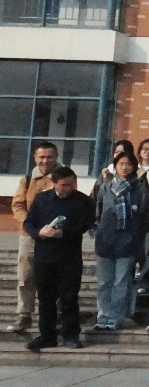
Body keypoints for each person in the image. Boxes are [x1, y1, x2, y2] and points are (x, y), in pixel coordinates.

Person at [22, 166, 93, 352]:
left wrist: (62, 233)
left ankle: (71, 335)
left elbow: (85, 224)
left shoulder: (83, 201)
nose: (69, 188)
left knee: (69, 298)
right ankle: (47, 336)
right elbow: (28, 222)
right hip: (44, 257)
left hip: (69, 257)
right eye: (64, 185)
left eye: (72, 184)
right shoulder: (42, 199)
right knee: (46, 299)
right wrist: (39, 232)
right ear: (54, 184)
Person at [92, 150, 149, 332]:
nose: (125, 167)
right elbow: (97, 213)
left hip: (128, 242)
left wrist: (137, 239)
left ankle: (116, 317)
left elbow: (143, 214)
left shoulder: (139, 188)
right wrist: (97, 232)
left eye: (129, 164)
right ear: (115, 166)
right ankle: (103, 316)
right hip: (105, 242)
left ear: (134, 167)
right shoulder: (105, 187)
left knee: (121, 282)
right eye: (121, 164)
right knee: (104, 282)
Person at [10, 141, 59, 333]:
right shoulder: (27, 179)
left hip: (54, 234)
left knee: (53, 276)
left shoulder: (63, 177)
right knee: (26, 276)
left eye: (49, 157)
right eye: (41, 157)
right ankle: (24, 315)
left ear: (56, 157)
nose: (45, 161)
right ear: (35, 158)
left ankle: (54, 315)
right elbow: (17, 205)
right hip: (29, 235)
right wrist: (29, 224)